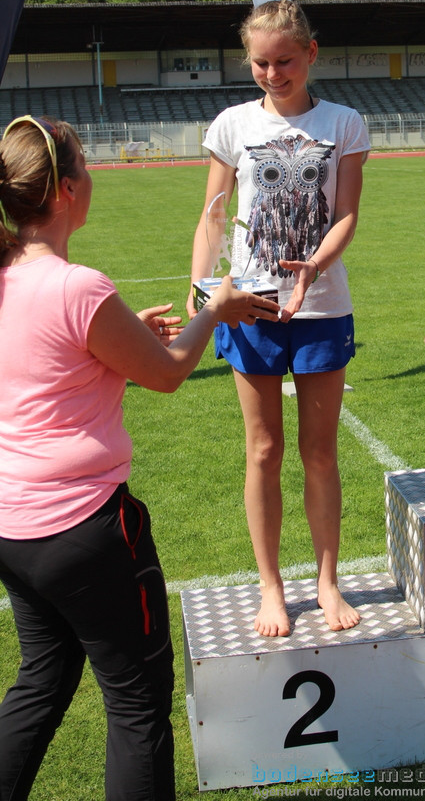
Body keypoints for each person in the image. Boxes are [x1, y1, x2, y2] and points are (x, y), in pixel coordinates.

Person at [0, 115, 279, 801]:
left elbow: (45, 371)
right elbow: (167, 373)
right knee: (135, 707)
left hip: (13, 527)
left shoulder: (9, 275)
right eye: (86, 167)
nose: (92, 177)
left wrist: (120, 346)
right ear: (66, 191)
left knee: (42, 679)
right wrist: (217, 310)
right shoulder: (77, 287)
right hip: (84, 530)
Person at [188, 0, 370, 639]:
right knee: (262, 450)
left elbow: (345, 214)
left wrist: (311, 270)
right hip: (249, 307)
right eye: (261, 63)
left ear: (311, 54)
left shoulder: (344, 123)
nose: (272, 73)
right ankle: (272, 586)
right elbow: (213, 215)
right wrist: (201, 287)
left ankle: (326, 580)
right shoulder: (232, 124)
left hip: (320, 306)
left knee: (320, 455)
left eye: (285, 61)